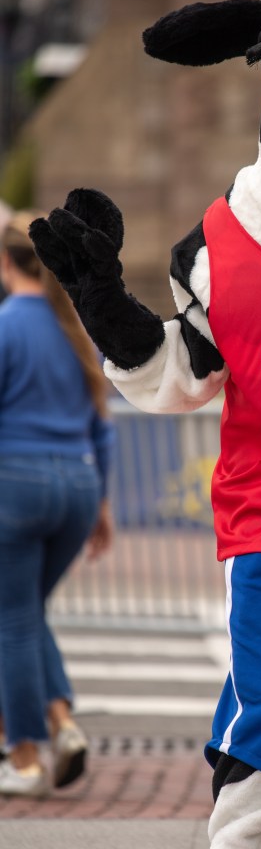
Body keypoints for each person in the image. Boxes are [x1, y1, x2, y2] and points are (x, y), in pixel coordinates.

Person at [0, 211, 115, 797]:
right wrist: (103, 507)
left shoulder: (4, 327)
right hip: (78, 485)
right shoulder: (74, 330)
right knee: (22, 611)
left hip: (15, 484)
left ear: (4, 263)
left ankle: (22, 758)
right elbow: (104, 427)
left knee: (13, 619)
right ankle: (61, 721)